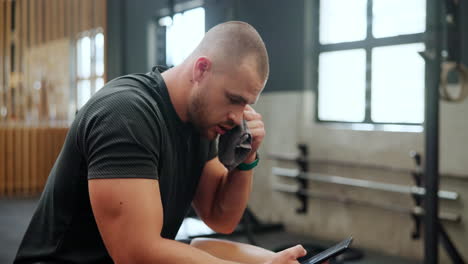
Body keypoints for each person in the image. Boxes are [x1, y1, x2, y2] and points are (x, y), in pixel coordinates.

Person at [15, 21, 306, 264]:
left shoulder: (201, 122)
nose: (237, 116)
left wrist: (246, 160)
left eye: (246, 105)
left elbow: (221, 220)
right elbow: (136, 253)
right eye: (234, 99)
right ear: (201, 70)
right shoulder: (126, 113)